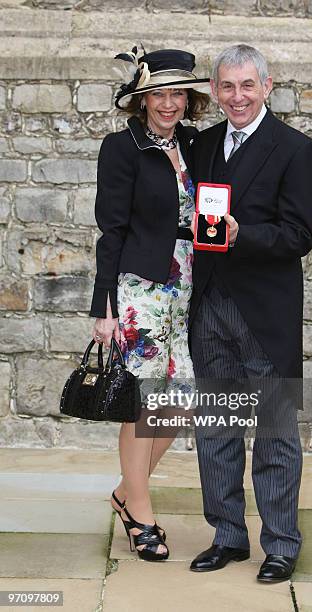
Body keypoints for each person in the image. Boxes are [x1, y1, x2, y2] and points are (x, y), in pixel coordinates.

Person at [189, 44, 312, 582]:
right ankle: (228, 535)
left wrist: (244, 235)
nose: (237, 97)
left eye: (247, 86)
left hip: (265, 312)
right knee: (217, 428)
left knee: (273, 431)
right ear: (216, 91)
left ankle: (282, 543)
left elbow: (298, 236)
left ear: (267, 86)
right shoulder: (201, 145)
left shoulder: (296, 149)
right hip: (210, 305)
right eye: (227, 87)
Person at [89, 46, 210, 562]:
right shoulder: (121, 149)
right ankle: (141, 512)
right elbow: (110, 230)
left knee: (179, 402)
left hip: (189, 286)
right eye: (159, 94)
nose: (169, 103)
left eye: (178, 93)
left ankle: (123, 492)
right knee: (143, 403)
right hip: (140, 288)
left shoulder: (197, 143)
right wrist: (104, 306)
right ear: (141, 99)